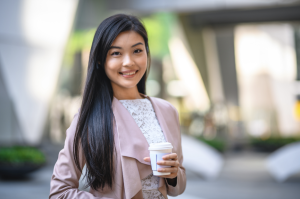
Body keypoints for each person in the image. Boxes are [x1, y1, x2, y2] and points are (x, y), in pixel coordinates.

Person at [49, 14, 186, 199]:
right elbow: (60, 191)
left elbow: (178, 187)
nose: (129, 62)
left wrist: (173, 175)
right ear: (100, 61)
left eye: (137, 51)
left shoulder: (167, 111)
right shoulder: (90, 117)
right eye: (116, 53)